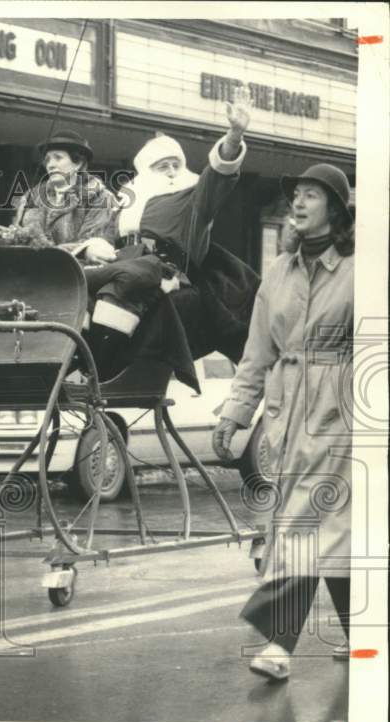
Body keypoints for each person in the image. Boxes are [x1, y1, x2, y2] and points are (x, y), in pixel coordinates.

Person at [213, 163, 354, 681]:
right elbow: (256, 354)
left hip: (342, 411)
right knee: (330, 526)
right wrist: (235, 413)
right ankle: (363, 633)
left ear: (335, 210)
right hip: (286, 413)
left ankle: (279, 643)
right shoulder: (277, 272)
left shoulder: (362, 268)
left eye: (311, 195)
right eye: (295, 193)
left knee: (302, 523)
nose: (298, 203)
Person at [84, 88, 254, 376]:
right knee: (76, 285)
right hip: (118, 266)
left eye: (177, 165)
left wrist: (234, 136)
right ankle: (76, 363)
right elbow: (101, 233)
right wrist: (93, 246)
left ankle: (100, 369)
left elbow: (217, 178)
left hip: (163, 274)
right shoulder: (125, 203)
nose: (174, 171)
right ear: (145, 172)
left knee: (122, 287)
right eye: (163, 166)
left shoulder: (193, 199)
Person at [13, 130, 119, 262]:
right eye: (47, 160)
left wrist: (50, 252)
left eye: (58, 158)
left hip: (73, 274)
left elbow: (90, 244)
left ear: (78, 163)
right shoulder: (31, 198)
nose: (50, 165)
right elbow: (18, 236)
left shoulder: (100, 198)